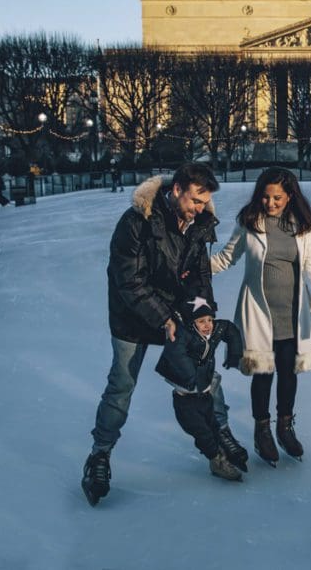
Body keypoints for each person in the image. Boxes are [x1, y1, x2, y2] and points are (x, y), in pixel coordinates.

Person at [82, 163, 247, 507]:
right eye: (196, 200)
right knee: (122, 385)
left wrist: (203, 314)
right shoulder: (136, 221)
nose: (201, 208)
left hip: (177, 314)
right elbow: (128, 279)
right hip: (132, 317)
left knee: (206, 376)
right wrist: (162, 318)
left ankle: (221, 434)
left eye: (205, 202)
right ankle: (99, 455)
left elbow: (201, 274)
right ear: (177, 191)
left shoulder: (200, 224)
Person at [211, 167, 311, 468]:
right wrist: (195, 268)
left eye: (277, 198)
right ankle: (262, 430)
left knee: (288, 372)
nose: (270, 204)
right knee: (263, 373)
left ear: (290, 197)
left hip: (294, 314)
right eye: (266, 197)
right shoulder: (250, 223)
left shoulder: (304, 227)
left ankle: (285, 427)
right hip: (259, 312)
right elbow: (225, 258)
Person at [155, 299, 245, 481]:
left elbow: (230, 329)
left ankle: (222, 449)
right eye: (201, 321)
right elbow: (176, 354)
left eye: (209, 320)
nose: (207, 325)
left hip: (204, 396)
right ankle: (216, 460)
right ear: (192, 323)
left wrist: (235, 354)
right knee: (202, 433)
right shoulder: (182, 336)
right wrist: (194, 379)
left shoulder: (216, 329)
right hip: (185, 400)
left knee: (213, 427)